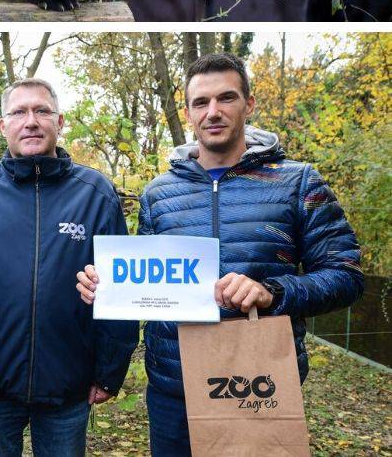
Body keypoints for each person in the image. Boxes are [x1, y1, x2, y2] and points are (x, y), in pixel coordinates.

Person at [77, 52, 364, 457]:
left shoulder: (297, 182)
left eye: (226, 98)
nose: (213, 112)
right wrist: (107, 286)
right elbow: (146, 283)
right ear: (189, 113)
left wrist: (272, 293)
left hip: (258, 383)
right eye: (200, 102)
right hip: (173, 387)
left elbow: (347, 274)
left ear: (248, 105)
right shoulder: (159, 194)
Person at [0, 78, 134, 457]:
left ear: (59, 122)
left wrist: (110, 371)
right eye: (19, 112)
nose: (31, 121)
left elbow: (120, 289)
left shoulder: (96, 193)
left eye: (42, 111)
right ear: (2, 125)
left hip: (68, 386)